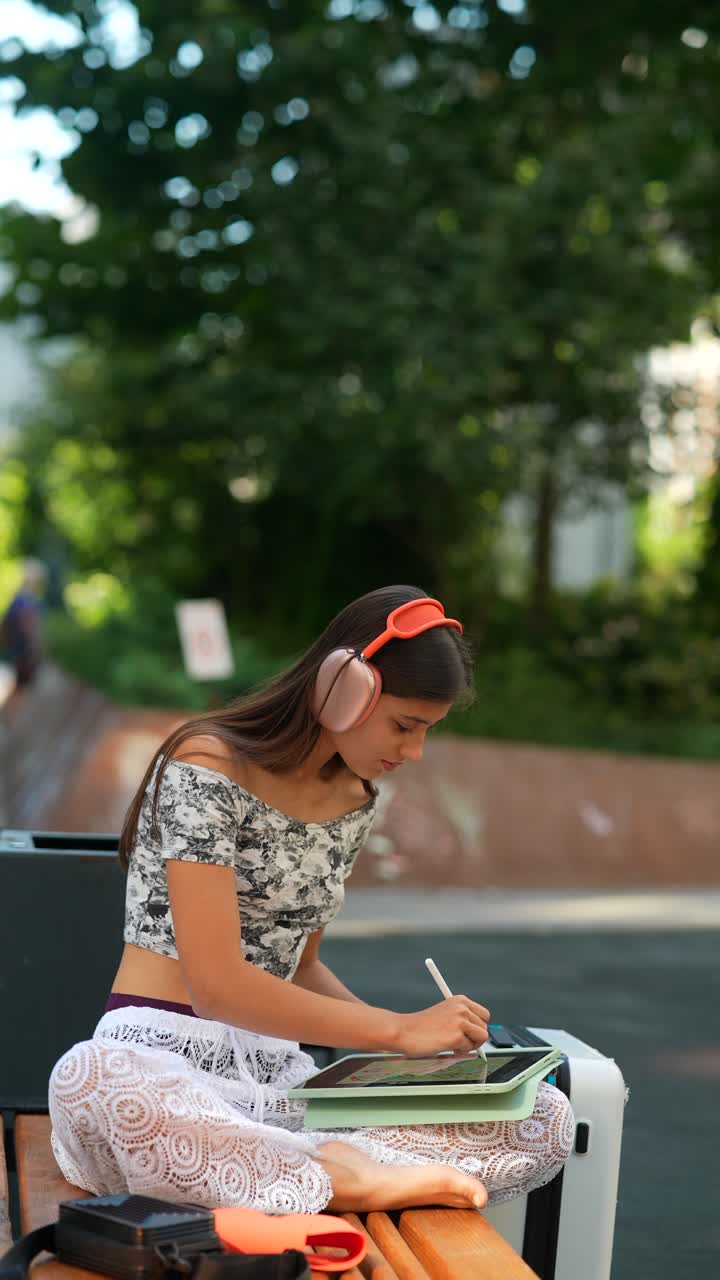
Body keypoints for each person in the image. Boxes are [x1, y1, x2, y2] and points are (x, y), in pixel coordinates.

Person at [49, 585, 573, 1215]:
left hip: (282, 1087)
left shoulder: (355, 798)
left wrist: (408, 1058)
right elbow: (216, 986)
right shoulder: (206, 763)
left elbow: (300, 965)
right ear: (343, 689)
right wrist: (397, 1030)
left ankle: (302, 1170)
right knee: (93, 1083)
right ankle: (343, 1178)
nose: (413, 752)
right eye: (405, 725)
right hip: (160, 1061)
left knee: (542, 1114)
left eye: (426, 731)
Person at [1, 558, 47, 694]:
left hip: (13, 651)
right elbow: (30, 628)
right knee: (20, 691)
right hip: (23, 653)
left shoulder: (17, 598)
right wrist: (37, 647)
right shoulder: (28, 601)